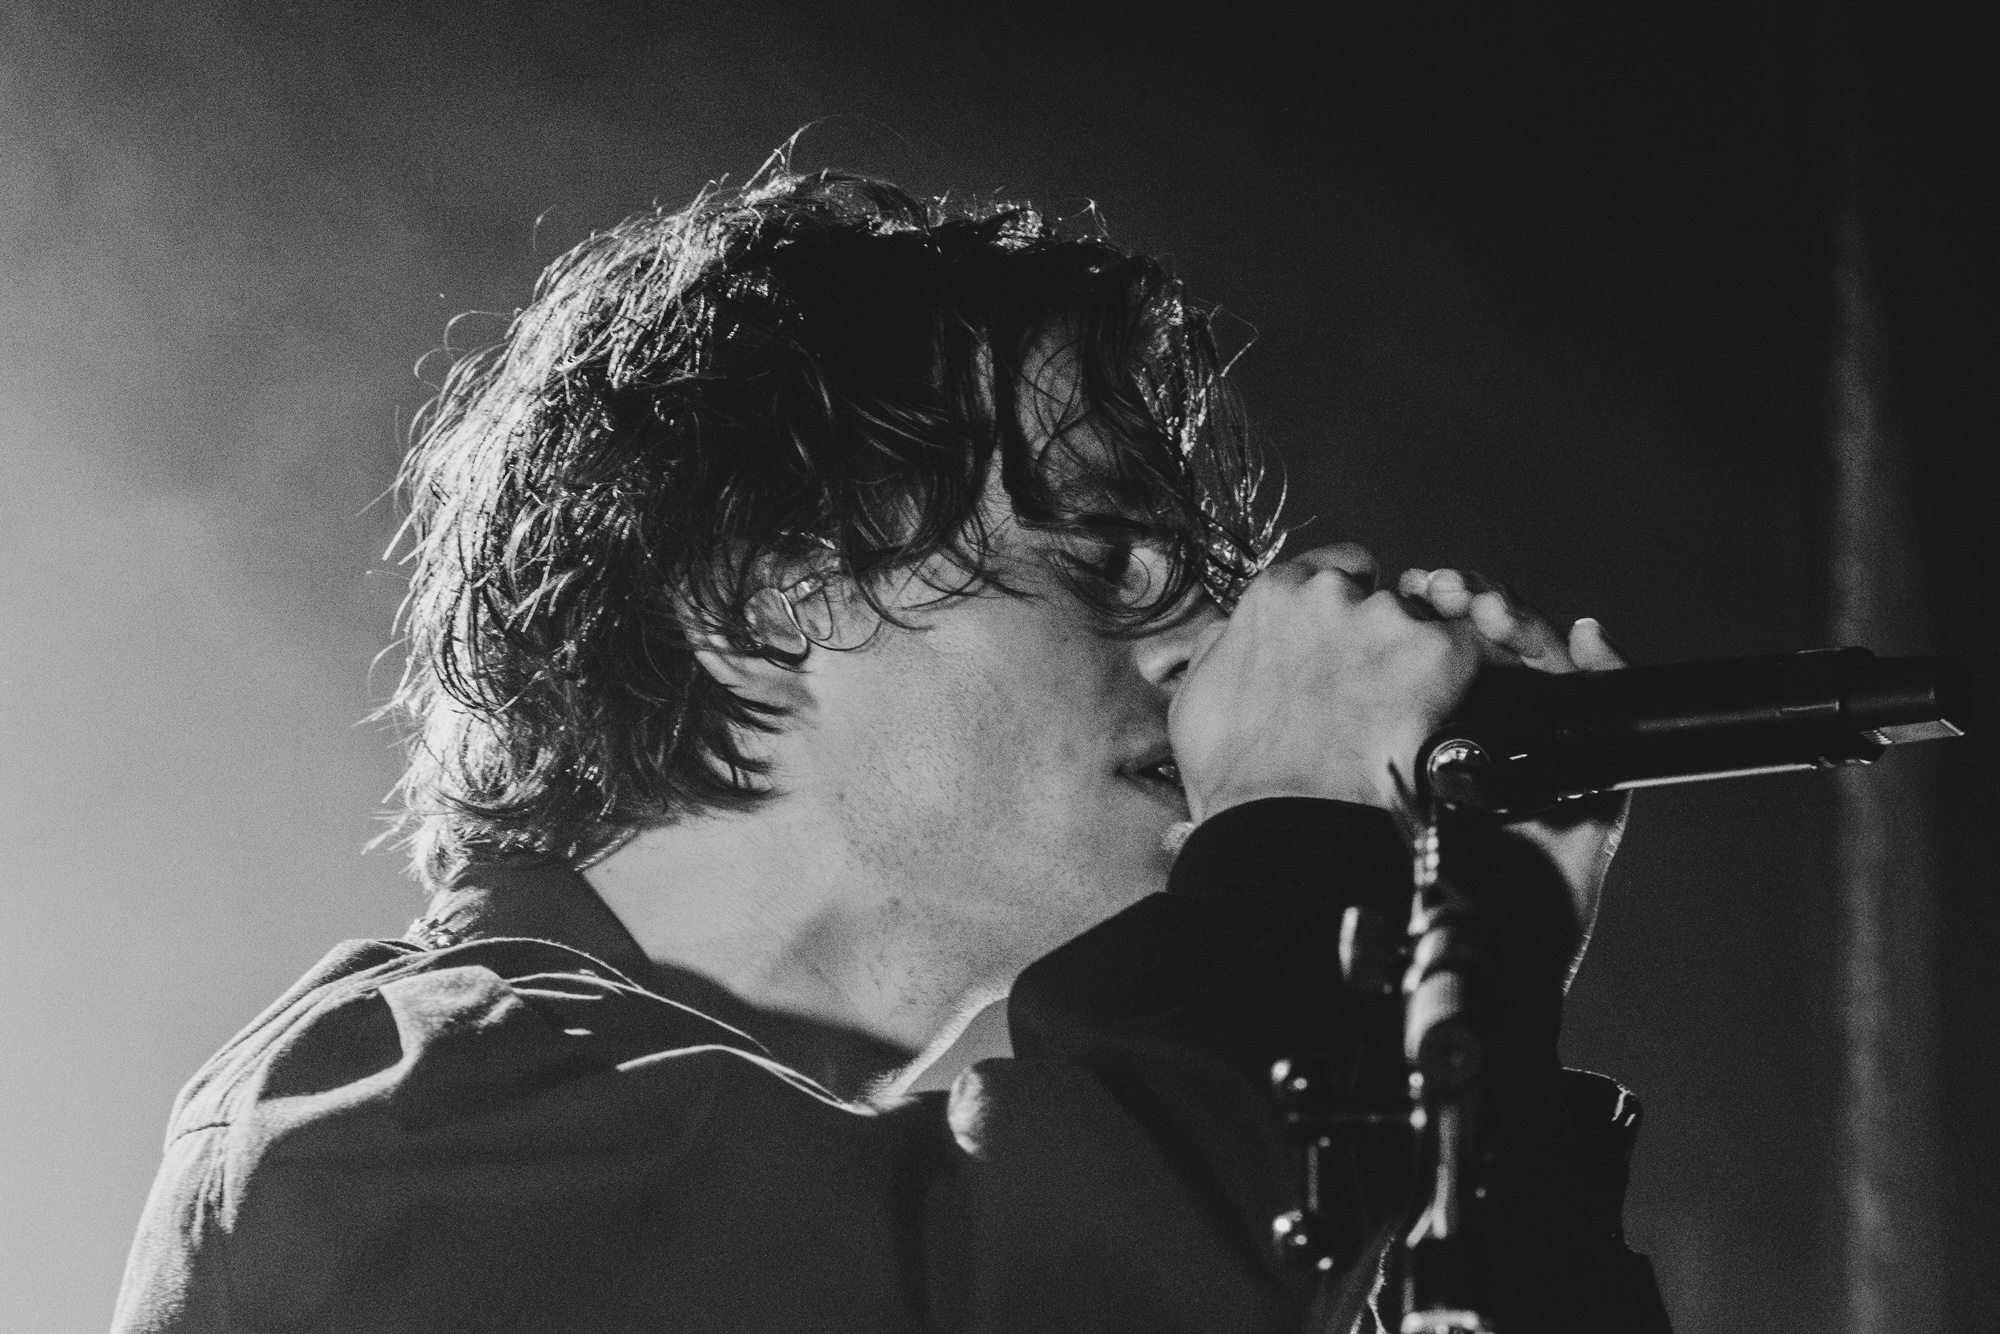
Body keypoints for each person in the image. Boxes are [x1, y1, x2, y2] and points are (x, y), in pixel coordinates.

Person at [113, 162, 1671, 1332]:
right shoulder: (385, 1125)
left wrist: (1483, 968)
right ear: (768, 598)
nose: (1200, 641)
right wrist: (1296, 845)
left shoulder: (886, 1208)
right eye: (1107, 557)